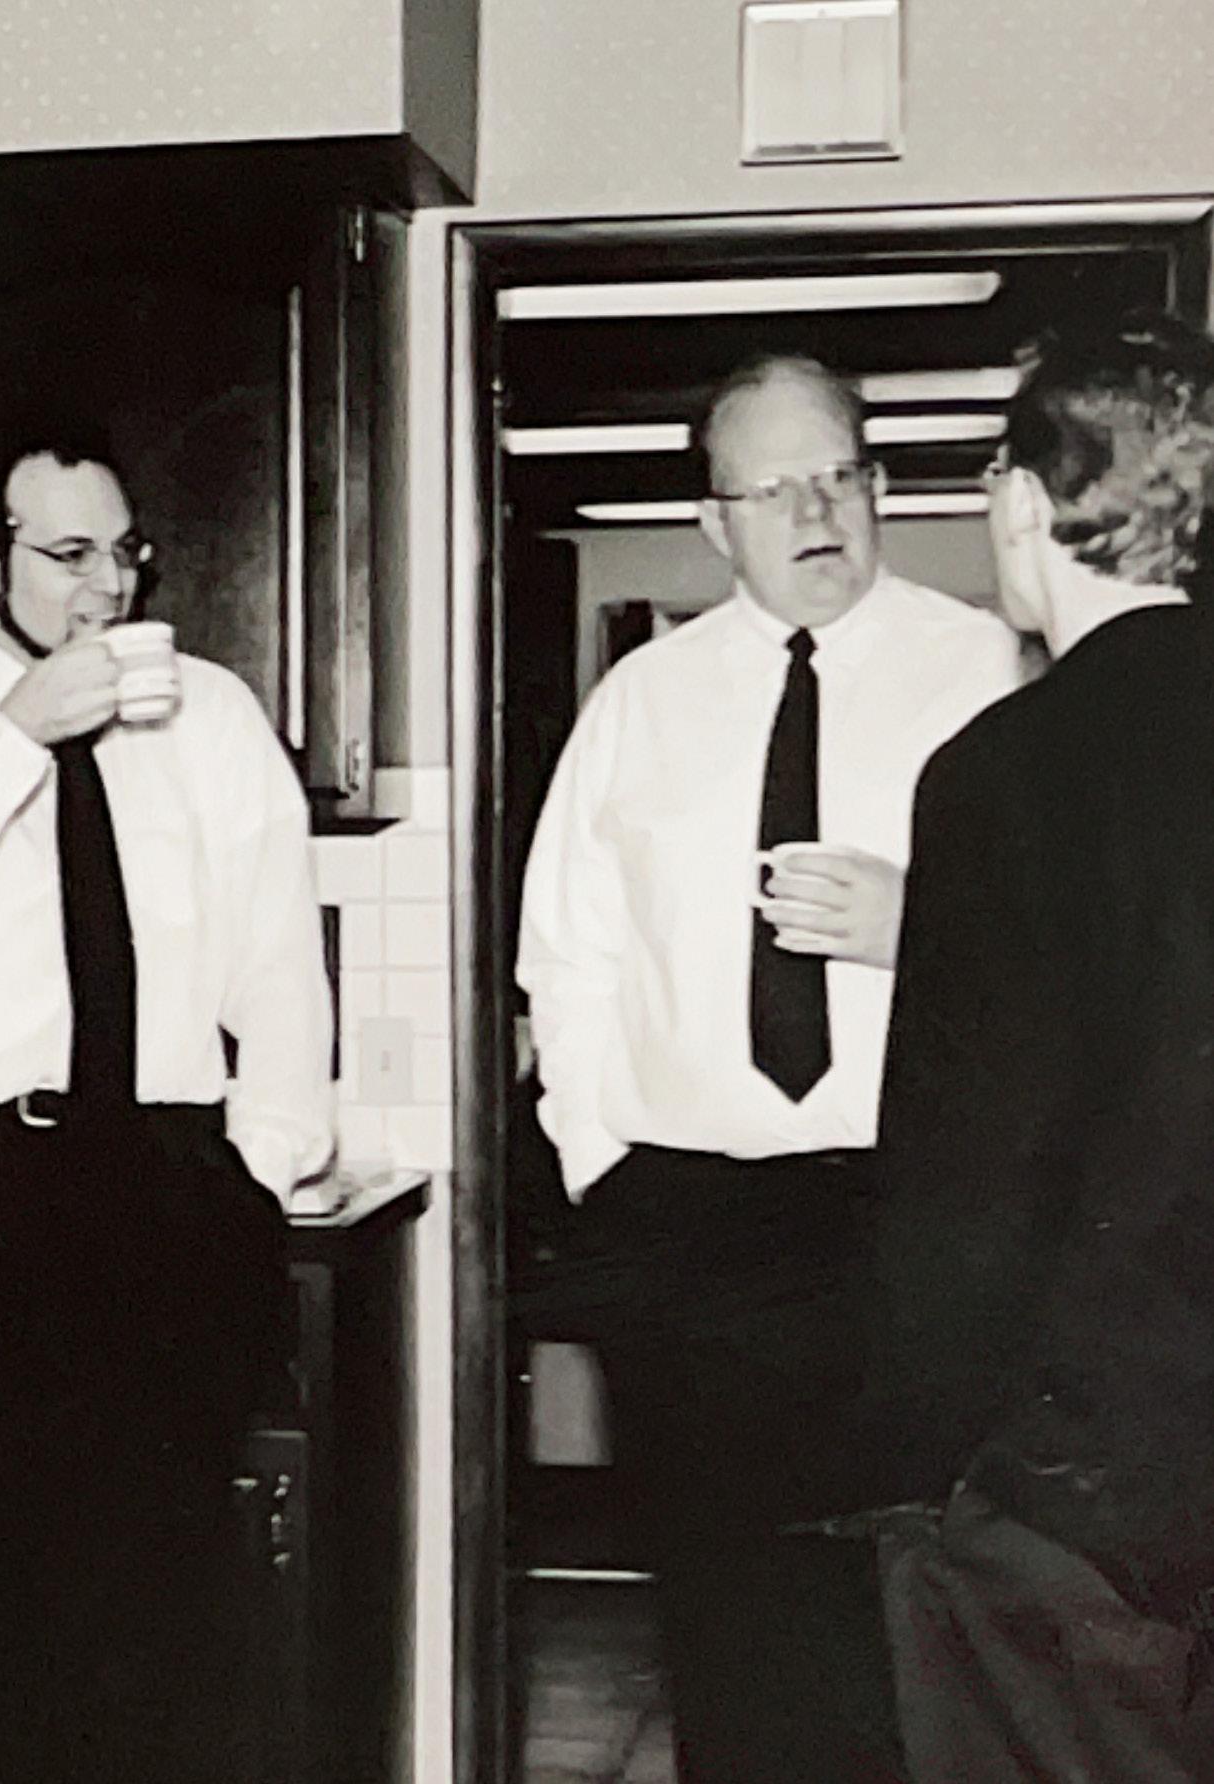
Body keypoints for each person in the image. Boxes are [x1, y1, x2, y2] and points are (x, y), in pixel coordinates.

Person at [0, 420, 333, 1781]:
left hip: (158, 1195)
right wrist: (10, 743)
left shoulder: (211, 717)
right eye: (69, 555)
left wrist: (257, 1169)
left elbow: (280, 967)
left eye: (125, 554)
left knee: (158, 1618)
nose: (109, 587)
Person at [513, 354, 1023, 1781]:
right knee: (725, 1616)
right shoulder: (640, 701)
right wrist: (603, 1161)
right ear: (713, 523)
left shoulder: (987, 674)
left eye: (840, 475)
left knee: (905, 1617)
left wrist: (923, 929)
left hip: (907, 1208)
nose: (816, 512)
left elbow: (1071, 957)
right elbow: (567, 954)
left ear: (879, 487)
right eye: (776, 488)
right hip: (689, 1220)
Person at [868, 313, 1214, 1781]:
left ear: (1020, 502)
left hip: (1076, 1491)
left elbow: (966, 1177)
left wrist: (918, 1457)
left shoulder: (1000, 776)